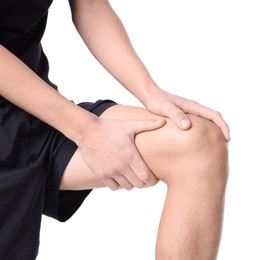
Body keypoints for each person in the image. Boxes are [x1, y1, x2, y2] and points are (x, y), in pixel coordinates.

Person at [0, 0, 230, 259]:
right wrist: (86, 130)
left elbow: (90, 6)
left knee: (198, 144)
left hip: (35, 112)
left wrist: (150, 92)